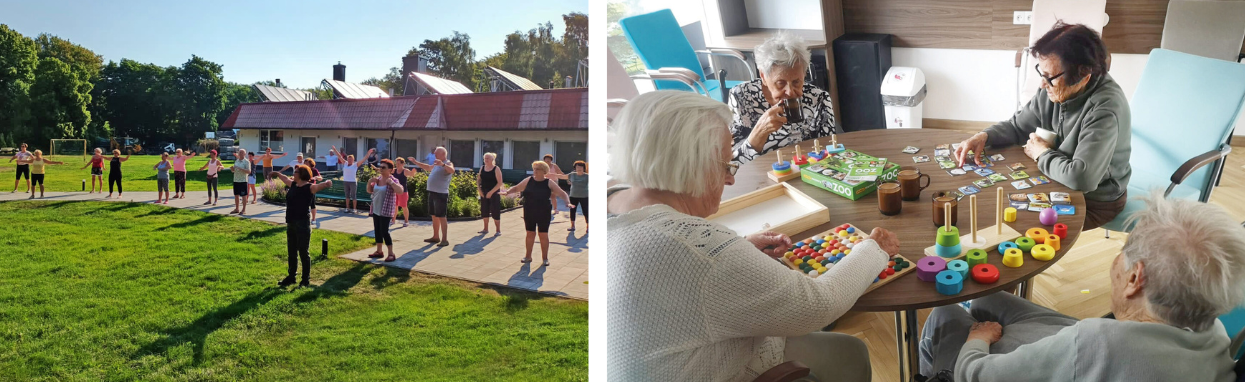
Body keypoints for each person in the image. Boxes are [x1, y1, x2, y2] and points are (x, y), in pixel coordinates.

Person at [607, 91, 894, 381]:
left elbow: (678, 282)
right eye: (725, 165)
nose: (730, 178)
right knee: (851, 353)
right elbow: (818, 306)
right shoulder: (699, 251)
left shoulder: (610, 201)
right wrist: (873, 249)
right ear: (691, 164)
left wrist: (738, 252)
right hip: (730, 366)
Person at [919, 195, 1245, 381]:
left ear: (1135, 279)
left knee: (944, 311)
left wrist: (977, 341)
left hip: (1086, 351)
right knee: (984, 297)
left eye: (1124, 253)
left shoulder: (1096, 343)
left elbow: (976, 375)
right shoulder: (1216, 333)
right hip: (1100, 348)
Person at [955, 23, 1130, 231]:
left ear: (1084, 76)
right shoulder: (1054, 88)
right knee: (996, 205)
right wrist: (984, 136)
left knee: (1018, 225)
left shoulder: (1106, 108)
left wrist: (1042, 153)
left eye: (1050, 77)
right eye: (1041, 73)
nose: (1042, 84)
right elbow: (1018, 127)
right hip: (1057, 180)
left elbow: (1082, 178)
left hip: (1095, 201)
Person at [728, 31, 837, 165]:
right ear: (763, 77)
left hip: (805, 170)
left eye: (797, 82)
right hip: (759, 173)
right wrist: (758, 134)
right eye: (781, 83)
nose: (790, 92)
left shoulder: (819, 99)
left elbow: (829, 154)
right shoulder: (741, 97)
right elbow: (732, 164)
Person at [272, 165, 332, 288]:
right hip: (291, 222)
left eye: (296, 172)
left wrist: (327, 183)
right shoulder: (293, 185)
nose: (293, 174)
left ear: (301, 174)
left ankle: (305, 280)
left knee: (303, 252)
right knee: (291, 251)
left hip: (303, 223)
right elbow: (284, 178)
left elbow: (319, 186)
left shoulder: (309, 187)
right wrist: (277, 174)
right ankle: (291, 277)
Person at [504, 161, 571, 266]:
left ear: (544, 171)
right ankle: (528, 256)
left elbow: (562, 193)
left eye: (537, 169)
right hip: (529, 211)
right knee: (530, 233)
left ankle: (545, 258)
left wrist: (567, 202)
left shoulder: (549, 182)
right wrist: (507, 192)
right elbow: (517, 188)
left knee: (543, 234)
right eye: (534, 169)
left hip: (543, 212)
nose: (535, 171)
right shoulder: (528, 180)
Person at [408, 148, 454, 247]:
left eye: (436, 153)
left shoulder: (448, 163)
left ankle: (444, 240)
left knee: (441, 216)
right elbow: (428, 167)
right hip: (432, 192)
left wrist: (443, 164)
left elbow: (452, 170)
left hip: (441, 193)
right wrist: (415, 162)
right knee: (434, 215)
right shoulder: (437, 164)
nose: (434, 155)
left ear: (443, 154)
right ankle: (436, 236)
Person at [367, 159, 404, 262]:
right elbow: (370, 191)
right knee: (377, 231)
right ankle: (379, 251)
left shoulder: (393, 180)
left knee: (384, 231)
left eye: (383, 167)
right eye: (380, 167)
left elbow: (400, 191)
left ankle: (391, 253)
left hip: (386, 210)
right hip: (376, 209)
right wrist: (370, 182)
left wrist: (391, 183)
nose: (380, 169)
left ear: (391, 170)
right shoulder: (378, 179)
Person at [476, 152, 504, 234]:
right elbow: (479, 180)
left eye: (488, 158)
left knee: (495, 210)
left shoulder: (496, 169)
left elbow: (499, 183)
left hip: (494, 192)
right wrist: (479, 190)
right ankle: (485, 229)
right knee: (484, 209)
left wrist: (491, 192)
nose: (486, 160)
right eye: (485, 158)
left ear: (492, 159)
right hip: (483, 191)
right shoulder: (482, 168)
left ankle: (498, 230)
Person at [341, 148, 374, 214]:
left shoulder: (355, 165)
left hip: (352, 182)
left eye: (351, 159)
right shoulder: (345, 163)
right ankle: (347, 208)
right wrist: (335, 149)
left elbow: (363, 159)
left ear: (353, 159)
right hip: (346, 181)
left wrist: (368, 153)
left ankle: (354, 209)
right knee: (347, 195)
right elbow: (339, 156)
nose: (349, 160)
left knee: (353, 195)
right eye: (348, 159)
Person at [392, 157, 414, 227]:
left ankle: (406, 221)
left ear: (403, 164)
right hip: (395, 191)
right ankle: (393, 220)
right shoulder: (394, 170)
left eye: (398, 164)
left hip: (403, 192)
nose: (397, 165)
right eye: (396, 163)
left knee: (404, 206)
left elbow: (411, 175)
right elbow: (386, 171)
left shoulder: (405, 171)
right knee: (395, 206)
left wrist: (413, 172)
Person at [542, 154, 564, 222]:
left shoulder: (554, 166)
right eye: (546, 161)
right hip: (544, 181)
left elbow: (560, 172)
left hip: (554, 182)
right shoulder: (542, 166)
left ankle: (555, 208)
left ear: (551, 160)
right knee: (543, 196)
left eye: (548, 161)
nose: (547, 162)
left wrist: (566, 178)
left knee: (553, 196)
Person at [230, 149, 251, 215]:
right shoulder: (236, 161)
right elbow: (234, 171)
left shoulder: (246, 162)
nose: (240, 154)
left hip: (243, 180)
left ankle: (243, 209)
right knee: (236, 195)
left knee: (243, 195)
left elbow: (249, 171)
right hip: (236, 180)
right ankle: (237, 208)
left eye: (242, 153)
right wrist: (232, 169)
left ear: (245, 154)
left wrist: (240, 168)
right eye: (239, 153)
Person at [303, 158, 321, 222]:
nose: (306, 164)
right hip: (303, 188)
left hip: (311, 189)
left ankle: (313, 219)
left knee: (312, 204)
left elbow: (320, 178)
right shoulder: (303, 170)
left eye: (307, 163)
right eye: (305, 163)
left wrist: (316, 177)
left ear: (311, 164)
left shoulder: (314, 170)